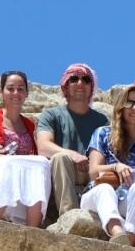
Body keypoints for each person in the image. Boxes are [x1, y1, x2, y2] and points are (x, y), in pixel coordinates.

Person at [80, 86, 135, 246]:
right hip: (98, 197)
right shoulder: (102, 133)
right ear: (121, 107)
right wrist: (115, 167)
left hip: (130, 201)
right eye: (129, 103)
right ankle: (118, 233)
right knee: (105, 190)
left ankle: (129, 239)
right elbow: (94, 172)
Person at [0, 71, 50, 227]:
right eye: (10, 88)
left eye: (20, 89)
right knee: (7, 163)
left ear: (26, 93)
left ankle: (33, 229)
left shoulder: (30, 124)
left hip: (21, 189)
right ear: (2, 92)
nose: (15, 93)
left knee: (42, 162)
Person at [36, 63, 108, 218]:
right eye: (74, 79)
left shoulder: (101, 121)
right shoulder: (51, 115)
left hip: (91, 170)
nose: (80, 83)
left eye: (86, 80)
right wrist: (72, 155)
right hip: (62, 171)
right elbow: (43, 146)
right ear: (65, 86)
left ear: (91, 87)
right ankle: (69, 216)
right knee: (61, 158)